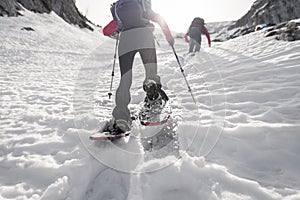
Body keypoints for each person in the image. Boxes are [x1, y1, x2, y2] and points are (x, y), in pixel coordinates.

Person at [102, 0, 174, 134]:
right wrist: (169, 37)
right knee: (151, 72)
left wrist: (119, 25)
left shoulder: (118, 8)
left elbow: (106, 31)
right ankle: (153, 100)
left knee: (125, 79)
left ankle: (121, 118)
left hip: (126, 39)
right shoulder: (143, 4)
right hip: (144, 35)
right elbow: (159, 19)